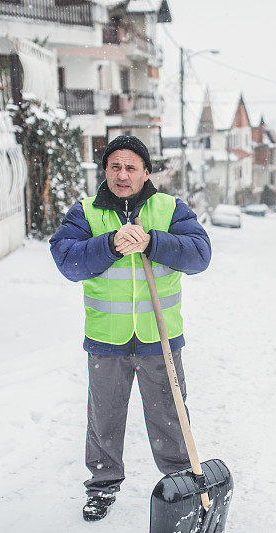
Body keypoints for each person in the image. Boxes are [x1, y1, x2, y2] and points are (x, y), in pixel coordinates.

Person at [49, 135, 211, 521]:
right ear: (105, 171)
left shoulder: (169, 208)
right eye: (115, 166)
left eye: (131, 167)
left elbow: (200, 254)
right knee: (104, 417)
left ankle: (180, 484)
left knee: (169, 416)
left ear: (145, 172)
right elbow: (67, 260)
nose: (122, 174)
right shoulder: (86, 212)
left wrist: (154, 242)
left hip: (160, 337)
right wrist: (110, 245)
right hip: (107, 340)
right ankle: (103, 486)